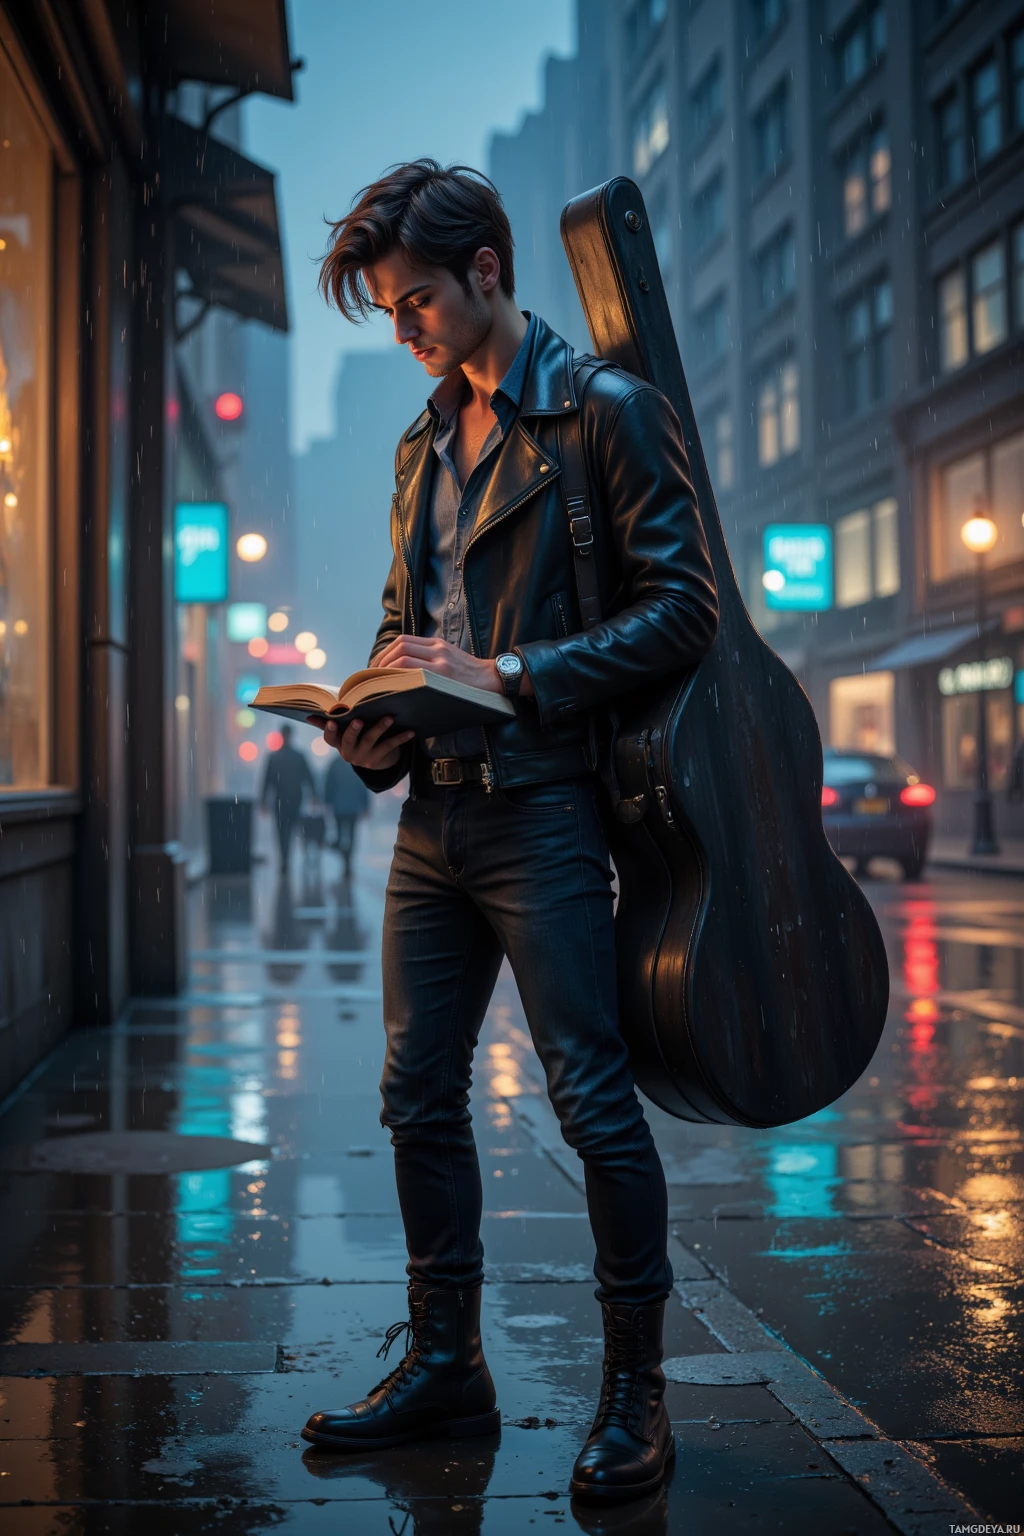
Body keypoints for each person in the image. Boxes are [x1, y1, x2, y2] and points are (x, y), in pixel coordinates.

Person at [300, 161, 718, 1504]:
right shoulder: (423, 445)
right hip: (434, 817)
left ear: (487, 270)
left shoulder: (605, 412)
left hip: (544, 807)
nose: (406, 324)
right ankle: (444, 1364)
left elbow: (685, 609)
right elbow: (399, 617)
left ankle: (634, 1398)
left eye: (417, 298)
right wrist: (370, 711)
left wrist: (521, 681)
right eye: (389, 307)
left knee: (592, 1104)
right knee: (415, 1097)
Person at [259, 724, 316, 872]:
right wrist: (314, 796)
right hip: (295, 799)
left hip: (279, 800)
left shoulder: (274, 758)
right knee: (291, 830)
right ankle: (286, 857)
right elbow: (309, 778)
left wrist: (263, 801)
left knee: (280, 830)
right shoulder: (299, 757)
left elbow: (267, 781)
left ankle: (284, 858)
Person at [323, 751, 370, 876]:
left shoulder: (335, 764)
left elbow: (329, 785)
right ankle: (348, 861)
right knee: (351, 836)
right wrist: (365, 805)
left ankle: (344, 857)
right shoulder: (357, 763)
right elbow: (363, 785)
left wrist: (327, 802)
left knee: (340, 837)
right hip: (353, 807)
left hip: (338, 807)